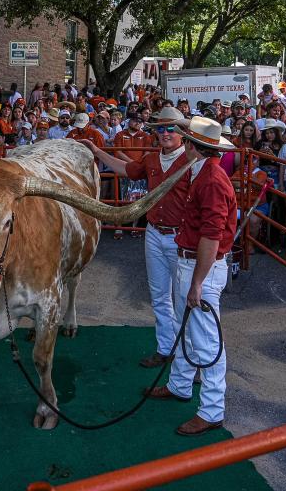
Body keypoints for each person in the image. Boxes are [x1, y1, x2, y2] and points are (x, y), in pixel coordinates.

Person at [145, 116, 236, 436]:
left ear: (191, 147)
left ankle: (212, 410)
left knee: (207, 340)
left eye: (185, 139)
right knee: (190, 331)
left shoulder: (210, 180)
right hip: (192, 264)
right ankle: (181, 385)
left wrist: (197, 282)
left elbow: (212, 237)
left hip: (200, 268)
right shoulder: (205, 173)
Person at [84, 107, 190, 367]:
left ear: (182, 132)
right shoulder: (153, 159)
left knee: (185, 299)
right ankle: (166, 349)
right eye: (160, 129)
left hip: (182, 237)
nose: (165, 133)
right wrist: (98, 153)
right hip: (154, 233)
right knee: (159, 295)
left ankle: (189, 358)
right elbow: (128, 170)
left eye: (170, 128)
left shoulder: (191, 160)